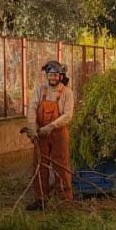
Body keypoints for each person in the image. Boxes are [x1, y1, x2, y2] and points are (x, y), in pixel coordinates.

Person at [27, 60, 77, 210]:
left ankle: (64, 200)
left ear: (61, 76)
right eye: (50, 75)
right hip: (41, 134)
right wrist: (31, 127)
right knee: (39, 166)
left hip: (59, 134)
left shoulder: (67, 93)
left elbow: (68, 115)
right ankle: (41, 199)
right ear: (46, 76)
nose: (52, 78)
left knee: (61, 166)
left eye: (55, 75)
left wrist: (51, 126)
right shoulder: (40, 91)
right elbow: (32, 108)